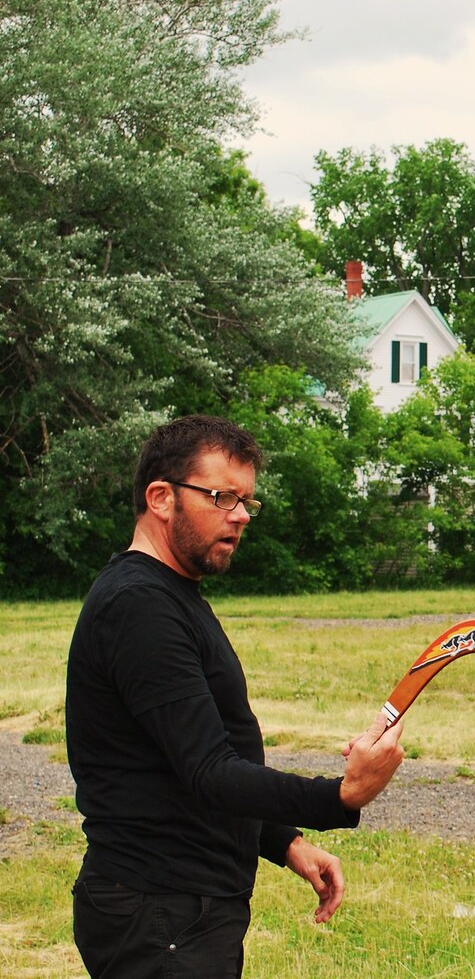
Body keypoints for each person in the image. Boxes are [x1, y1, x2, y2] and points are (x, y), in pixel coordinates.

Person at [65, 414, 404, 978]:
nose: (242, 515)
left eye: (246, 500)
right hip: (161, 911)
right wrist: (341, 796)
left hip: (177, 909)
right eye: (222, 497)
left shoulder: (171, 594)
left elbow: (180, 764)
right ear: (161, 498)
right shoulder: (139, 606)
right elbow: (209, 769)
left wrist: (283, 841)